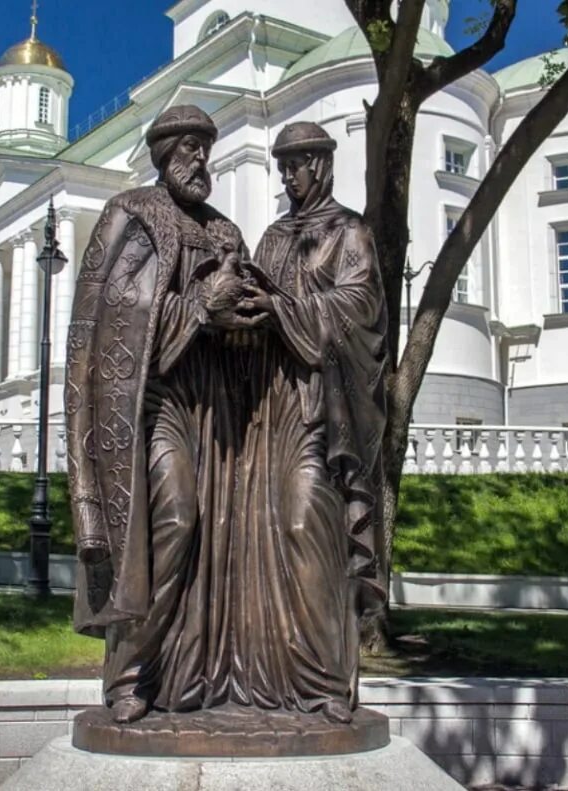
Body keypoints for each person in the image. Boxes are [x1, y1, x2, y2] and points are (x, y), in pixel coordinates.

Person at [64, 105, 258, 724]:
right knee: (174, 517)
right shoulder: (132, 213)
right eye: (190, 146)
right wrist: (202, 303)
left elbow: (245, 319)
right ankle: (130, 670)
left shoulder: (227, 232)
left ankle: (189, 674)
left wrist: (243, 314)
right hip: (149, 400)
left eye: (207, 146)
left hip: (217, 403)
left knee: (215, 540)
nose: (202, 159)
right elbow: (110, 313)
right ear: (163, 152)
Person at [230, 121, 389, 724]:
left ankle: (327, 678)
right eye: (282, 166)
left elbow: (360, 307)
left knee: (305, 525)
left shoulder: (349, 233)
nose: (287, 177)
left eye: (296, 165)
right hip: (267, 405)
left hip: (320, 406)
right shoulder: (274, 238)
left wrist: (283, 310)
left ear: (320, 165)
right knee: (261, 536)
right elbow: (261, 298)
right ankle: (275, 676)